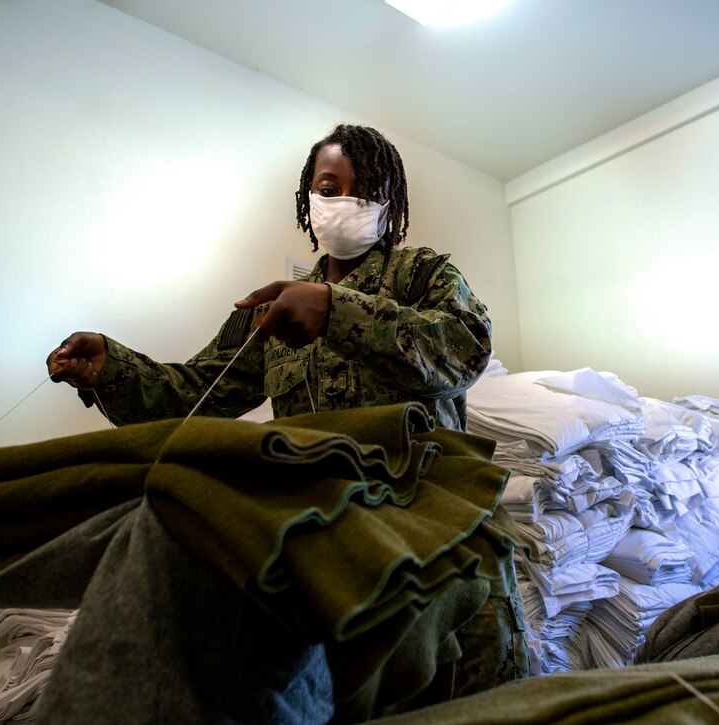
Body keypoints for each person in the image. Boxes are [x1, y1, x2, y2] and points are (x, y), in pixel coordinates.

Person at [45, 123, 529, 706]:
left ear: (390, 204)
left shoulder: (421, 276)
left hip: (440, 532)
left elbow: (465, 347)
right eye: (329, 188)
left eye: (364, 189)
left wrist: (335, 312)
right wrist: (111, 368)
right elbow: (196, 393)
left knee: (482, 704)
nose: (344, 201)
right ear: (307, 199)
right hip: (325, 542)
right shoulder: (272, 308)